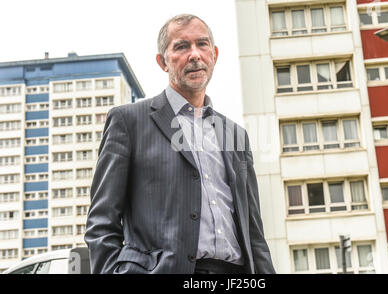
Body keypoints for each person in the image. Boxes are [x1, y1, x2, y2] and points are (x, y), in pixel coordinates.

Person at [84, 13, 275, 274]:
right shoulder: (128, 122)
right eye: (182, 46)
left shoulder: (235, 134)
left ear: (214, 54)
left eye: (202, 44)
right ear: (163, 61)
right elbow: (101, 221)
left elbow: (254, 230)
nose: (194, 54)